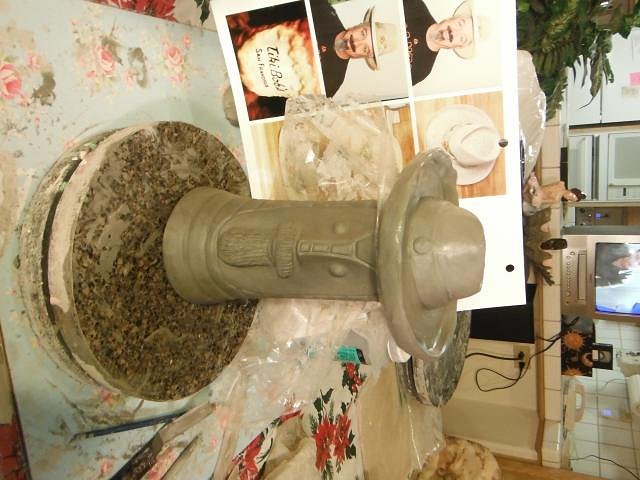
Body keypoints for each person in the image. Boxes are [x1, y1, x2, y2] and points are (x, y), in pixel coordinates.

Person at [310, 0, 398, 97]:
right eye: (363, 33)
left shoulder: (333, 81)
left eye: (365, 49)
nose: (356, 43)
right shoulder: (321, 9)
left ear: (364, 57)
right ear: (359, 25)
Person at [403, 0, 481, 85]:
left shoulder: (422, 70)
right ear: (451, 18)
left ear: (458, 46)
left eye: (462, 38)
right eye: (460, 24)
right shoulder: (415, 5)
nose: (454, 32)